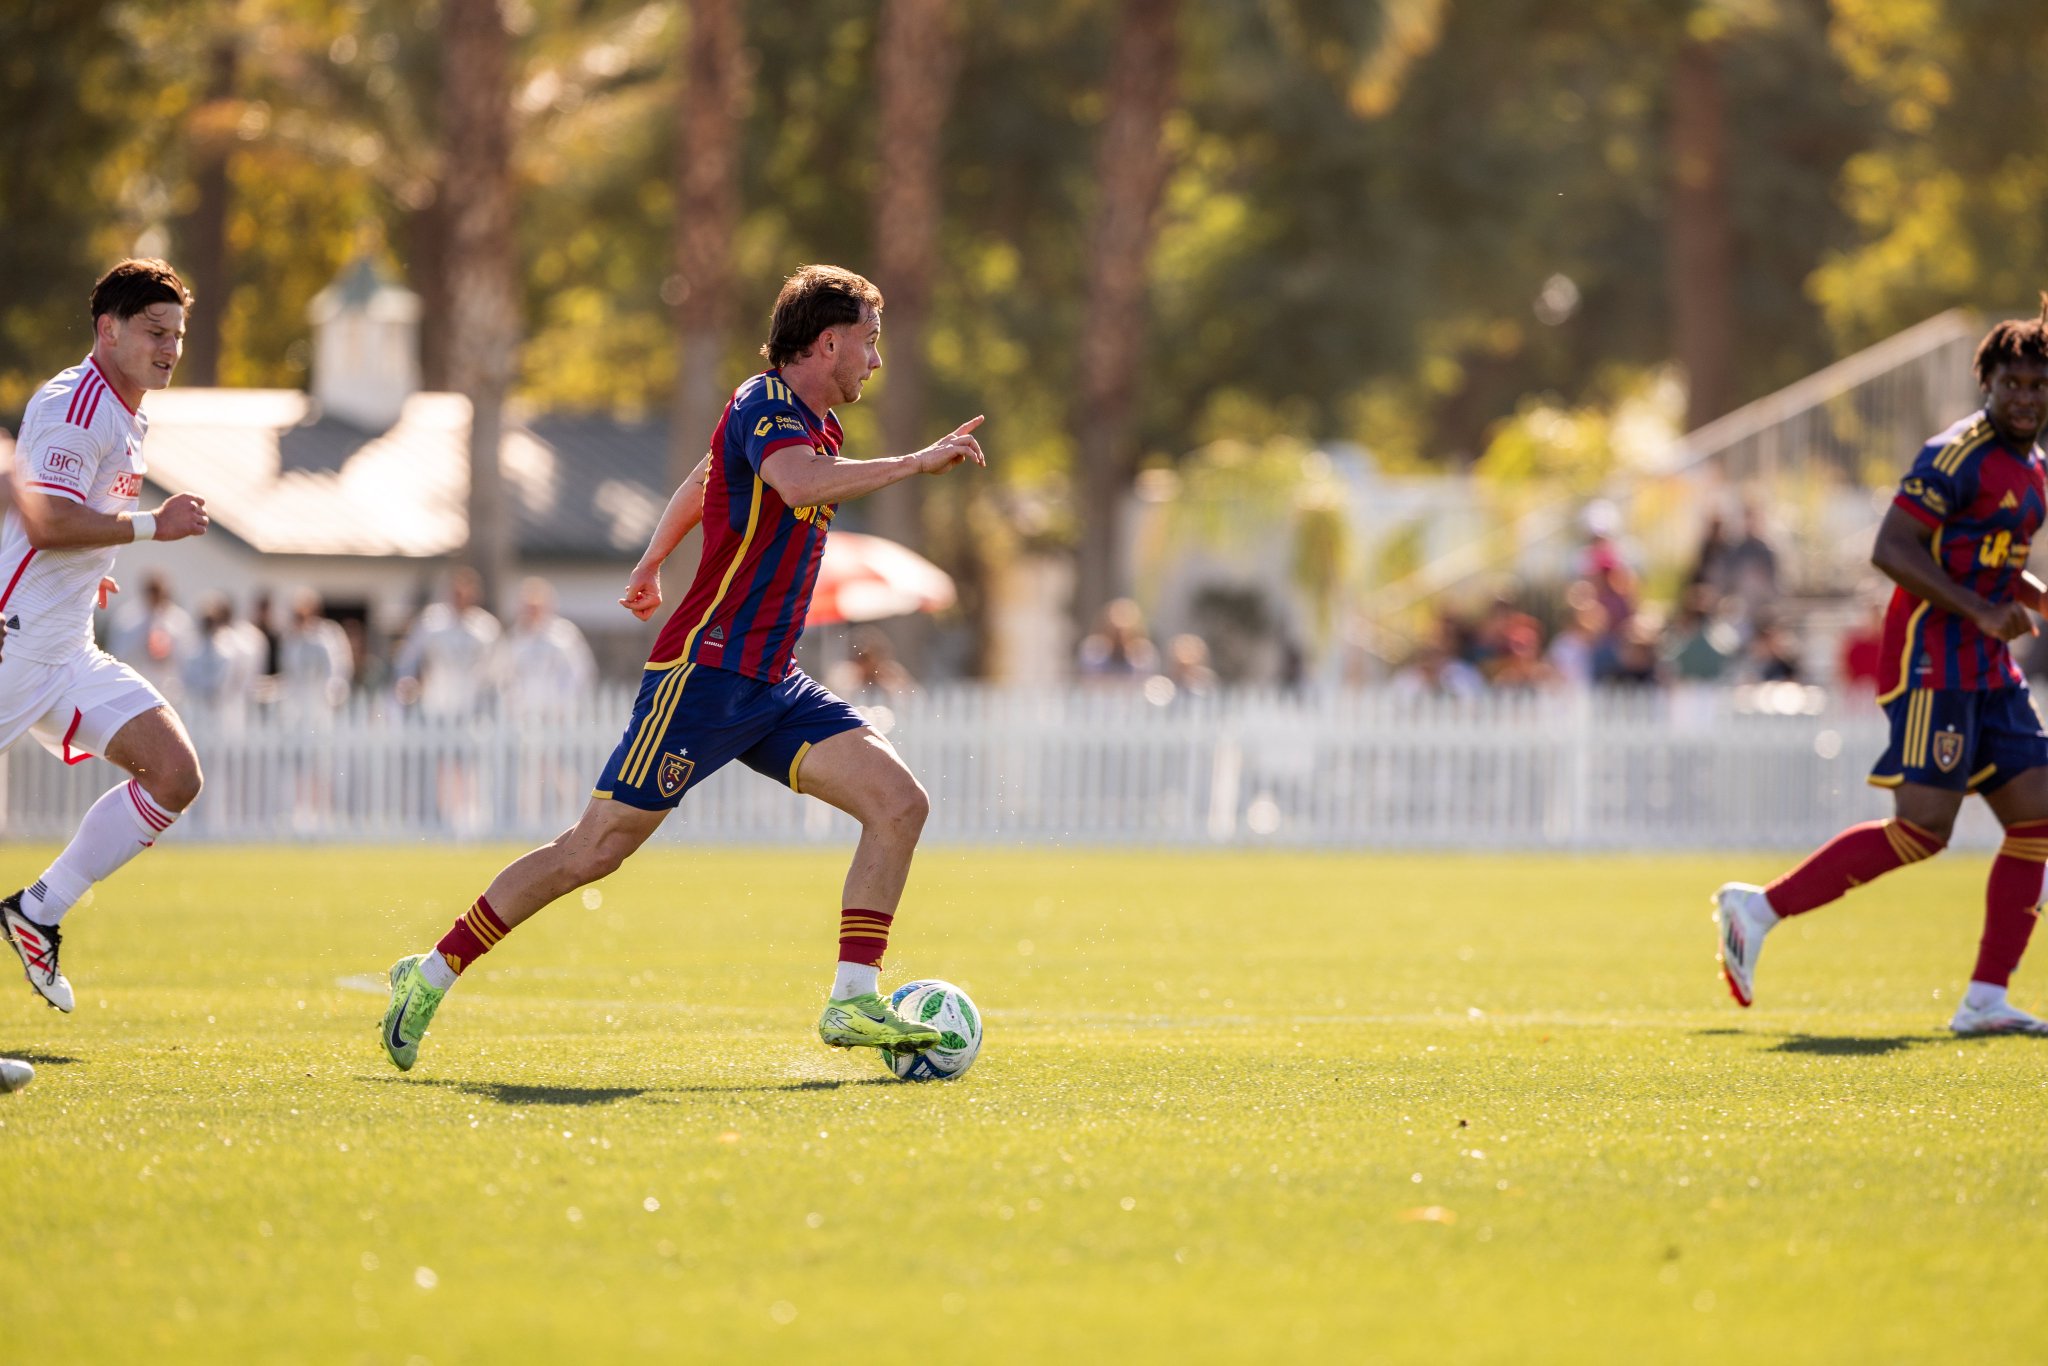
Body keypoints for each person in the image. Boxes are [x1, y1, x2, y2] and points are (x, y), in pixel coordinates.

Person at [377, 264, 987, 1069]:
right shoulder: (766, 403)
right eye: (870, 343)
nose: (875, 362)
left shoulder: (813, 424)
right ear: (829, 341)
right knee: (592, 851)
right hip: (704, 674)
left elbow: (706, 481)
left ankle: (851, 1001)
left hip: (771, 680)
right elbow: (796, 485)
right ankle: (430, 971)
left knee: (900, 804)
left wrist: (650, 561)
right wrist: (916, 462)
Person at [1714, 303, 2048, 1035]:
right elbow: (1892, 550)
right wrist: (1982, 612)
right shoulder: (1953, 455)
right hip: (1934, 659)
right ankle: (1757, 909)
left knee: (2037, 819)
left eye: (2038, 384)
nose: (2026, 396)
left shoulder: (2033, 471)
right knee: (1925, 829)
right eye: (2012, 382)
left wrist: (2031, 601)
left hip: (1988, 667)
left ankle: (1985, 999)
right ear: (1985, 383)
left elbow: (1998, 567)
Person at [0, 259, 212, 1013]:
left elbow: (59, 523)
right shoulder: (77, 401)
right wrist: (156, 526)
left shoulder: (129, 411)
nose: (169, 348)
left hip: (64, 648)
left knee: (174, 773)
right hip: (10, 641)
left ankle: (37, 909)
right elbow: (48, 518)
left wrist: (92, 572)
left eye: (178, 335)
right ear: (108, 329)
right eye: (155, 332)